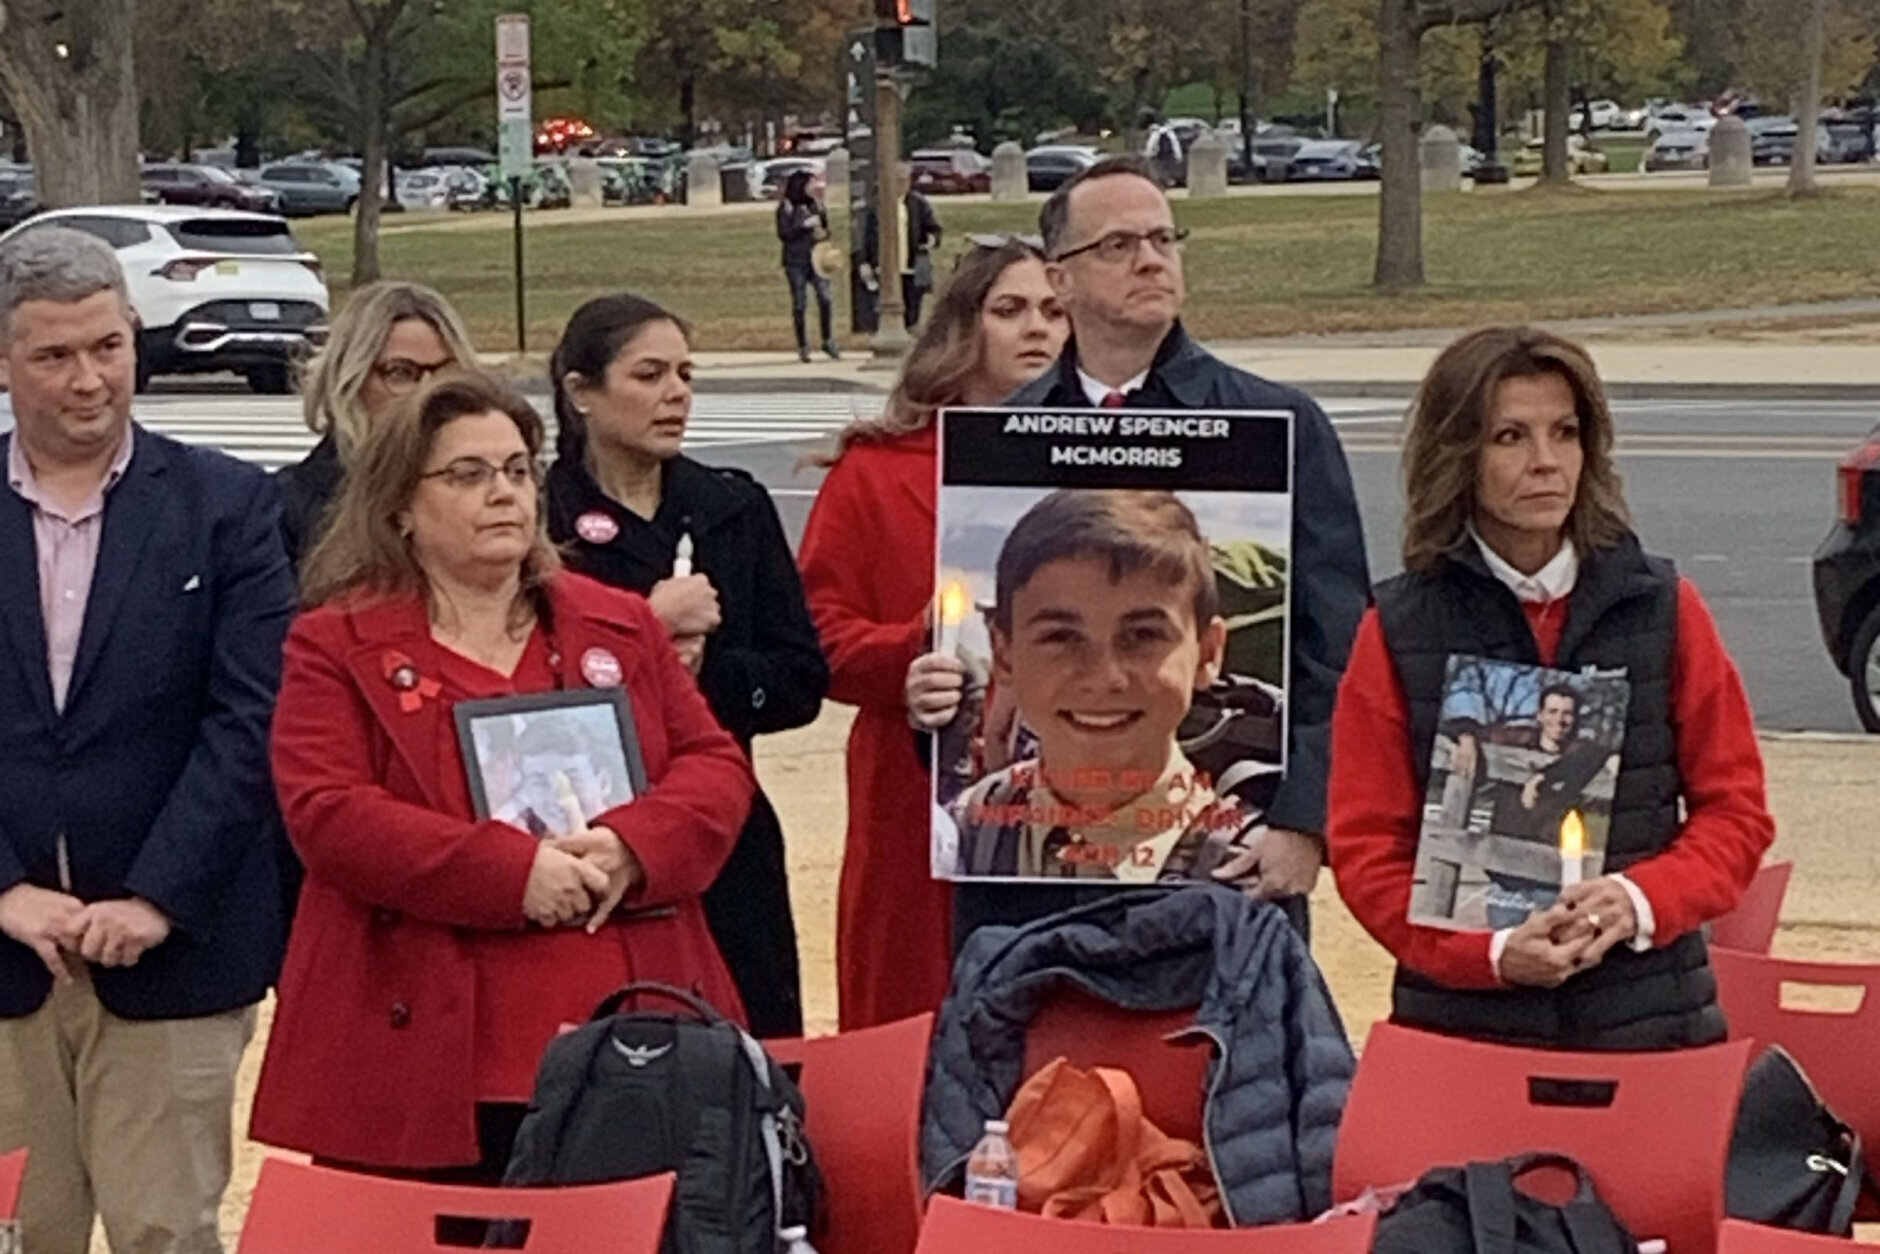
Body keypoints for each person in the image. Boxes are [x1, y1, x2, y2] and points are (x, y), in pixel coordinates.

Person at [250, 371, 755, 1177]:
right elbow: (328, 812)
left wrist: (631, 849)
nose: (504, 493)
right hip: (425, 1043)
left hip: (629, 1031)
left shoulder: (618, 623)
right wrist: (509, 874)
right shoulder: (334, 643)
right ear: (400, 508)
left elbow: (715, 766)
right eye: (468, 474)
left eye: (518, 470)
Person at [1327, 325, 1776, 1050]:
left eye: (1564, 433)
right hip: (1464, 1034)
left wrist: (1637, 901)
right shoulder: (1397, 627)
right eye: (1510, 437)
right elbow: (1366, 849)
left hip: (1652, 1026)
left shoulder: (1665, 608)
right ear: (1458, 456)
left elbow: (1738, 816)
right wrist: (1493, 957)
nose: (1545, 462)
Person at [967, 154, 1370, 942]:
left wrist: (1303, 821)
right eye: (1118, 246)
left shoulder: (1279, 425)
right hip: (1037, 879)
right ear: (1062, 281)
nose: (1151, 260)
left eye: (1163, 239)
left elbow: (1339, 650)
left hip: (1229, 865)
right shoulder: (1002, 438)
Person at [0, 227, 295, 1254]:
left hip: (171, 960)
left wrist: (158, 897)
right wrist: (3, 891)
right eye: (54, 356)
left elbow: (252, 719)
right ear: (5, 362)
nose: (89, 380)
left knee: (165, 1232)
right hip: (4, 958)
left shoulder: (229, 509)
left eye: (108, 347)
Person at [798, 237, 1068, 1030]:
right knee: (914, 1017)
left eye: (1055, 311)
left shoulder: (1115, 458)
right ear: (964, 326)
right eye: (1010, 309)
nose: (1037, 330)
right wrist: (905, 655)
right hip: (918, 792)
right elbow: (816, 632)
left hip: (1085, 796)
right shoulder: (877, 471)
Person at [545, 293, 828, 1039]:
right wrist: (645, 627)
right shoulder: (543, 519)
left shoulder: (732, 506)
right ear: (582, 392)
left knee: (752, 1051)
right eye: (648, 375)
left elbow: (801, 680)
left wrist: (703, 674)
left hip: (722, 825)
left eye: (685, 374)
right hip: (582, 830)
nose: (676, 394)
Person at [948, 490, 1261, 882]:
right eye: (1062, 637)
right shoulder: (966, 831)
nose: (1104, 677)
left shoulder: (1246, 863)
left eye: (1143, 635)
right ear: (1005, 655)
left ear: (1207, 654)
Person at [278, 280, 478, 568]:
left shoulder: (500, 491)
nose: (428, 391)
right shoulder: (290, 507)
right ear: (350, 379)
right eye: (401, 373)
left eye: (447, 372)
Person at [777, 169, 840, 363]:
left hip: (818, 260)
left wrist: (823, 232)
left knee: (826, 298)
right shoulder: (786, 207)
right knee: (800, 303)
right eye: (810, 184)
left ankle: (828, 339)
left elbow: (826, 229)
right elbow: (784, 234)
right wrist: (803, 225)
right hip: (796, 261)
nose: (814, 187)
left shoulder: (817, 205)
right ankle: (803, 344)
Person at [863, 182, 944, 330]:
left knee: (913, 301)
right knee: (884, 301)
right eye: (898, 180)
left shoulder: (918, 203)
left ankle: (910, 329)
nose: (902, 184)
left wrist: (931, 239)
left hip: (912, 265)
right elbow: (868, 236)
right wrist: (866, 261)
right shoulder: (878, 205)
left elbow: (934, 229)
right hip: (886, 266)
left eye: (904, 180)